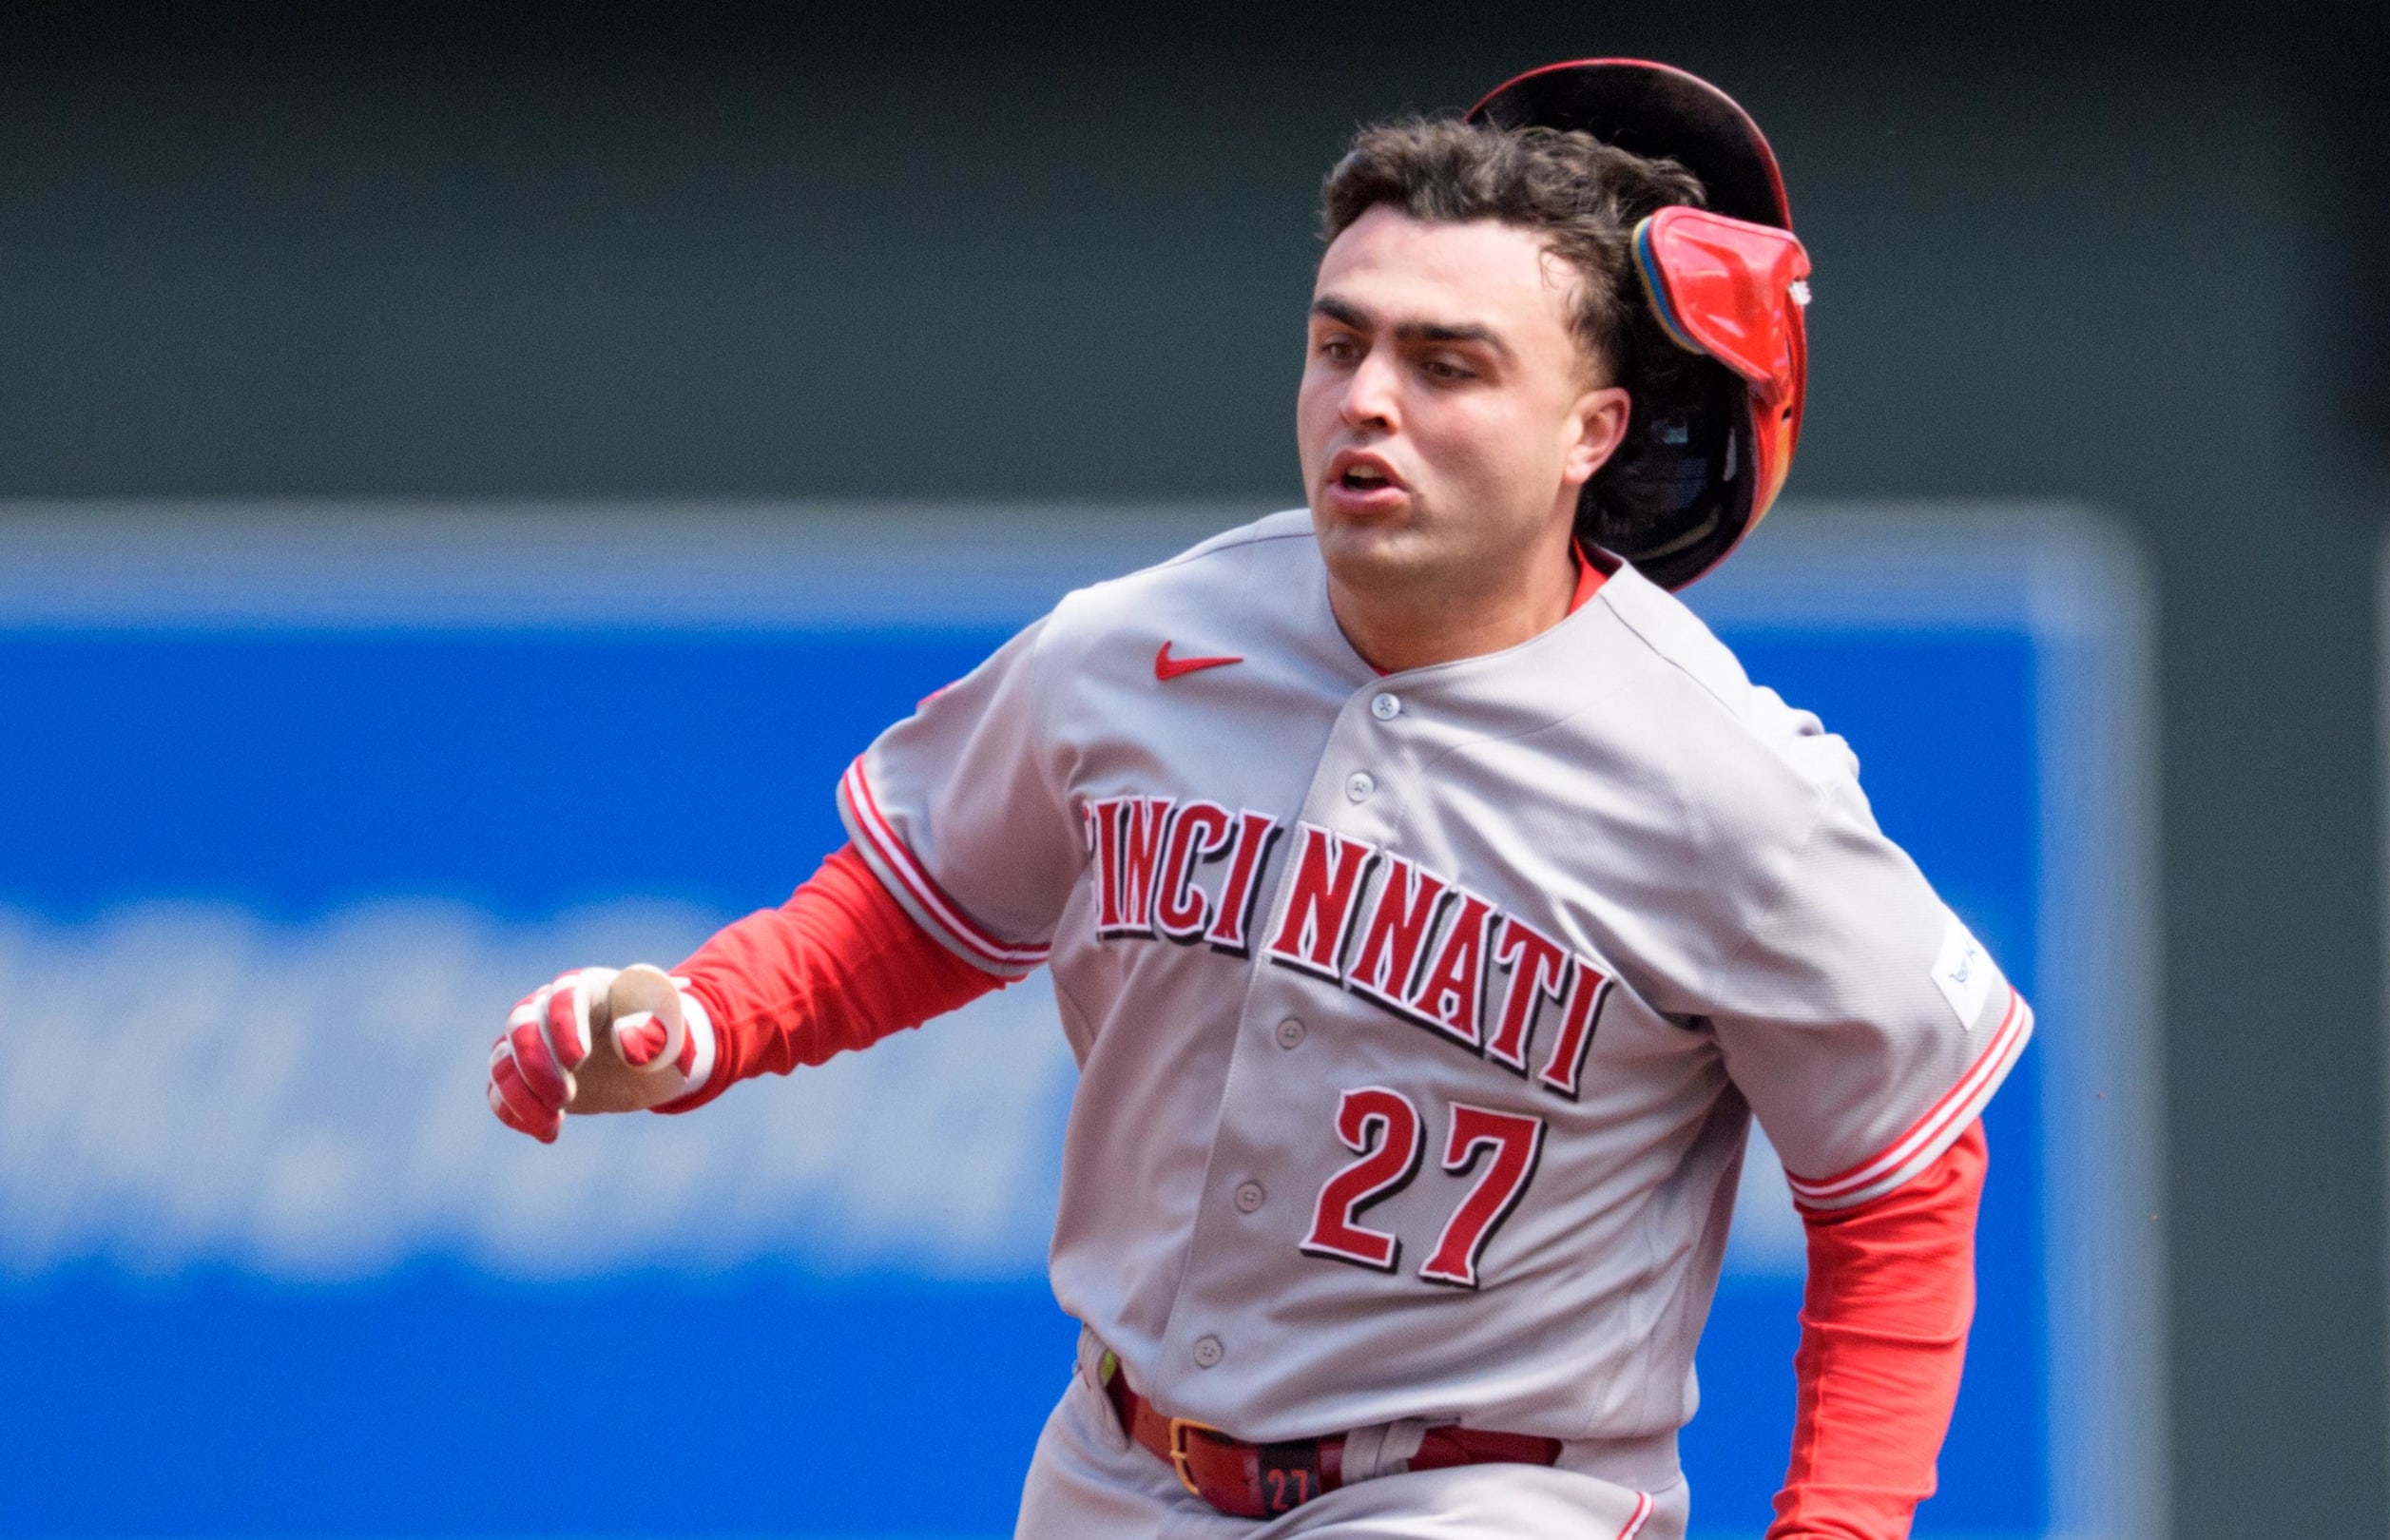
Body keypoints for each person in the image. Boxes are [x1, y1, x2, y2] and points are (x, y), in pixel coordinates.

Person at [486, 59, 2029, 1540]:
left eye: (1447, 365)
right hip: (1114, 1467)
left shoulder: (1728, 782)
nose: (1369, 400)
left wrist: (1840, 1524)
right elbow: (916, 902)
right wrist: (707, 1021)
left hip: (1485, 1491)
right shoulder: (1133, 649)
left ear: (1593, 431)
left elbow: (1898, 1182)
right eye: (1341, 345)